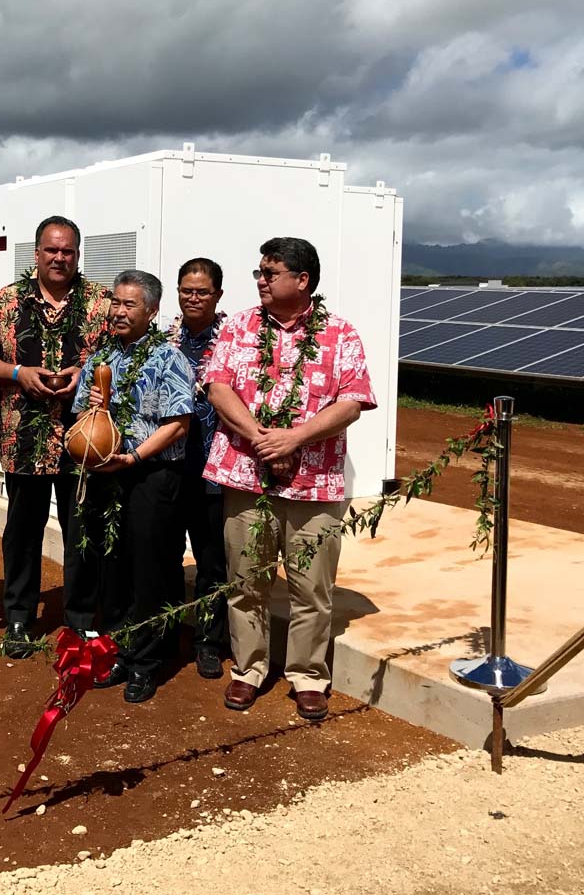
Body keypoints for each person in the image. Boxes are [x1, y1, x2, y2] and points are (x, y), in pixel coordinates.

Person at [203, 237, 377, 720]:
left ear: (302, 280)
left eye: (269, 272)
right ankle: (249, 669)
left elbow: (352, 402)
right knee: (246, 582)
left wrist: (295, 438)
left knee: (311, 589)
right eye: (259, 272)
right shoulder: (239, 326)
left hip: (314, 486)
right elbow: (218, 388)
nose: (259, 280)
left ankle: (307, 676)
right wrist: (264, 439)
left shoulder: (340, 333)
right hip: (245, 478)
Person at [0, 216, 110, 656]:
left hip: (84, 442)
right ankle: (18, 618)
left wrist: (83, 375)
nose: (59, 258)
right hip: (23, 440)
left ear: (78, 254)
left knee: (82, 530)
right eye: (51, 250)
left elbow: (122, 359)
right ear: (36, 254)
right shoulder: (8, 302)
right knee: (22, 531)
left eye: (67, 251)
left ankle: (82, 620)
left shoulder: (102, 304)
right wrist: (17, 373)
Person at [69, 269, 193, 703]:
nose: (119, 312)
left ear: (153, 310)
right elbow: (81, 413)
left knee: (149, 572)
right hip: (109, 474)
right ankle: (121, 651)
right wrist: (93, 412)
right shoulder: (102, 356)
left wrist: (136, 456)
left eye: (130, 304)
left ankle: (147, 662)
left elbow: (179, 423)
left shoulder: (168, 358)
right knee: (113, 567)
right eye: (116, 303)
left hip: (151, 475)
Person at [167, 258, 229, 679]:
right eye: (186, 290)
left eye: (202, 291)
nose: (193, 298)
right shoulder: (165, 341)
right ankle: (169, 631)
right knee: (167, 555)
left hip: (213, 467)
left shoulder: (232, 342)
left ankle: (209, 640)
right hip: (170, 467)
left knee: (211, 561)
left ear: (217, 296)